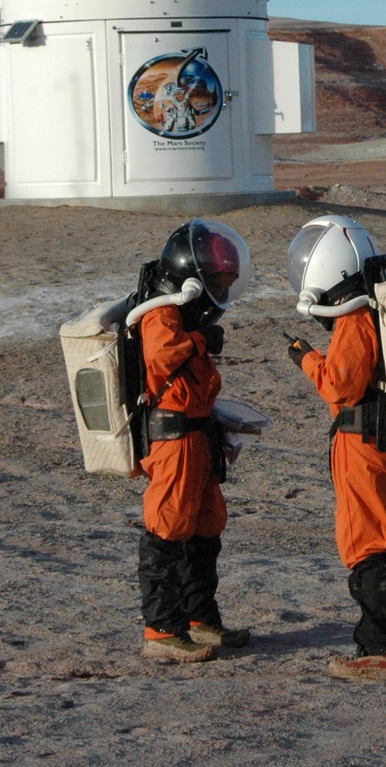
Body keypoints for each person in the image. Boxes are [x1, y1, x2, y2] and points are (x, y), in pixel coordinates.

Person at [283, 215, 386, 682]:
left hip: (365, 445)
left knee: (369, 541)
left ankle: (377, 650)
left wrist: (306, 356)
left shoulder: (355, 317)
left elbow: (341, 386)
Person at [135, 218, 253, 663]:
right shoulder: (160, 312)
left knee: (205, 527)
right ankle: (162, 629)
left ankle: (200, 619)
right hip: (174, 438)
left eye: (227, 279)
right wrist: (201, 339)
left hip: (198, 433)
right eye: (218, 279)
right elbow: (162, 355)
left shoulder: (182, 313)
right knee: (167, 529)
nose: (222, 287)